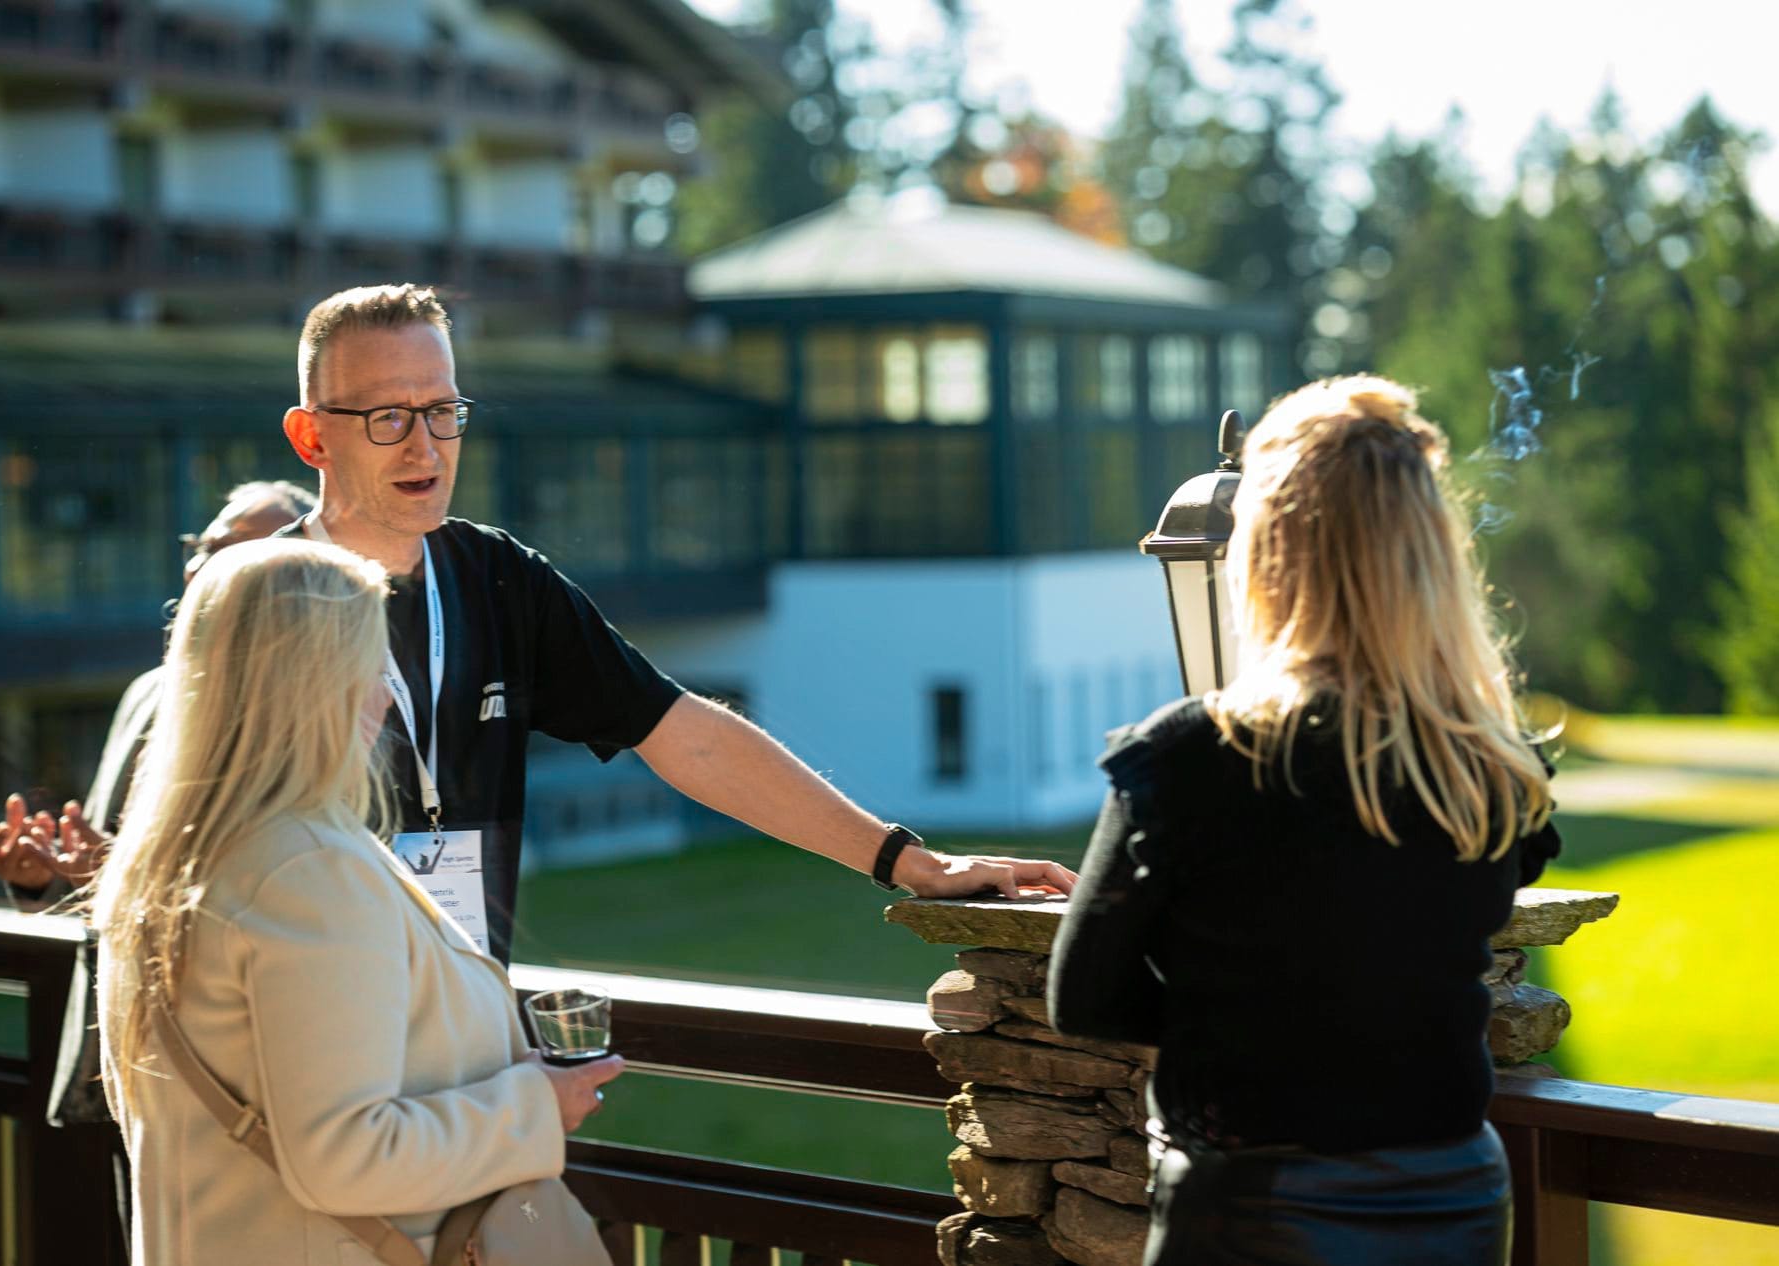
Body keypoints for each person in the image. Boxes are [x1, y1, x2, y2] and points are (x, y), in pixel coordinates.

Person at [274, 284, 1076, 959]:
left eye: (442, 410)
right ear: (312, 437)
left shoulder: (499, 579)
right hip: (308, 1025)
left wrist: (910, 862)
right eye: (388, 417)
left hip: (462, 1015)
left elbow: (684, 734)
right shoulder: (252, 604)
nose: (425, 446)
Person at [1046, 376, 1562, 1266]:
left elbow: (1085, 998)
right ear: (1430, 554)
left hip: (1257, 1201)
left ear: (1268, 555)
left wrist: (1250, 1020)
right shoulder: (1491, 766)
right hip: (1456, 1192)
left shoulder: (1194, 755)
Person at [93, 537, 622, 1264]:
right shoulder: (307, 869)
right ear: (320, 680)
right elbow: (345, 1154)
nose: (384, 693)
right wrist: (537, 1106)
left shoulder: (174, 860)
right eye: (373, 664)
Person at [0, 480, 317, 912]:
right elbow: (94, 870)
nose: (197, 567)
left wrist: (121, 874)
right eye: (202, 547)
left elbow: (281, 897)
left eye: (232, 552)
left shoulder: (321, 711)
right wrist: (40, 881)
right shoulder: (148, 692)